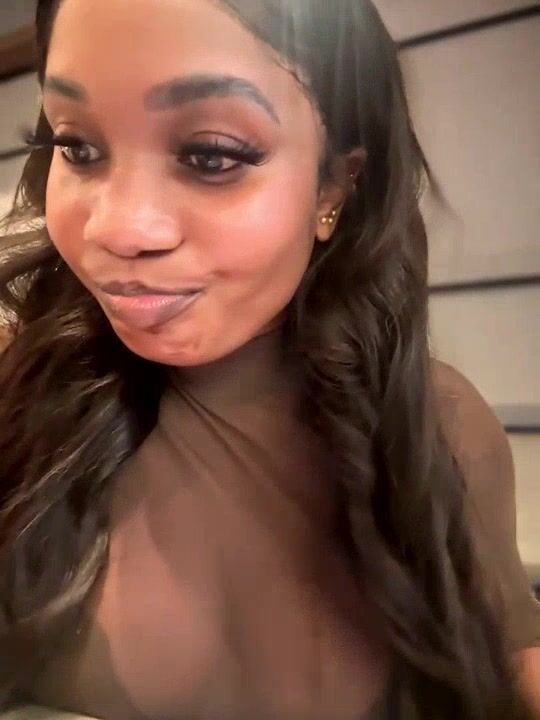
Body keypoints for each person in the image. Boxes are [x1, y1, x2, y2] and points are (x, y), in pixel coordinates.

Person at [0, 1, 538, 718]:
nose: (118, 227)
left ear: (334, 186)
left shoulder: (438, 425)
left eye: (211, 155)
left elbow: (506, 659)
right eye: (77, 147)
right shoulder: (17, 394)